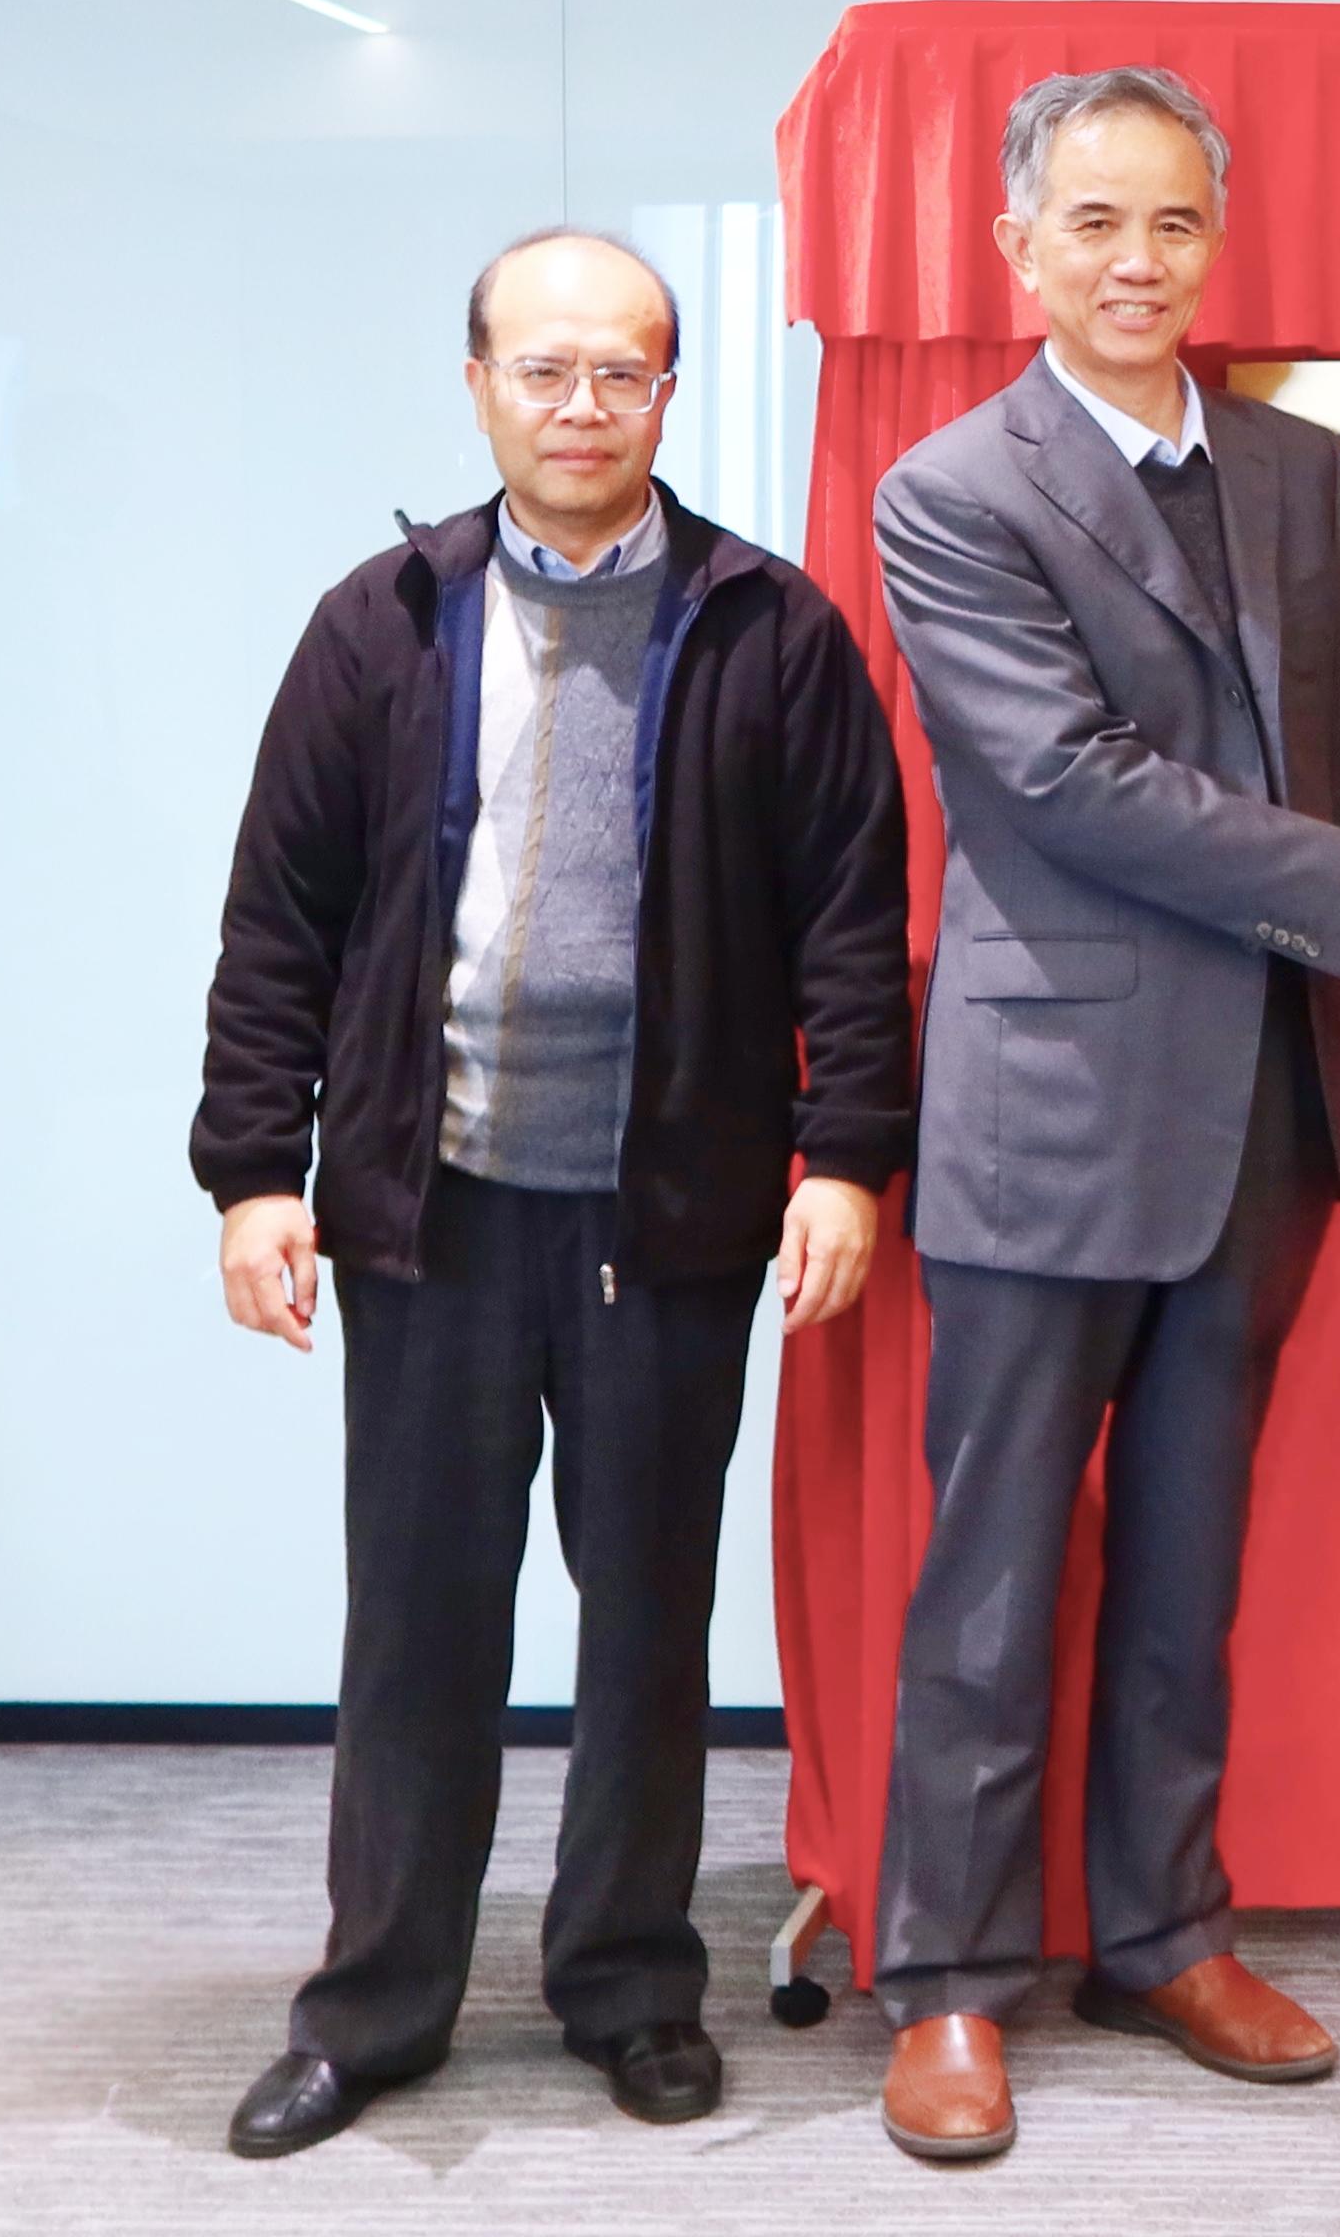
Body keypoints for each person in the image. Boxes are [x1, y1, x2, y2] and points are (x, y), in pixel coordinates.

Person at [191, 228, 916, 2160]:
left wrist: (846, 1155)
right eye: (544, 370)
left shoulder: (768, 632)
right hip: (432, 1207)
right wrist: (255, 1173)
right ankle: (377, 2005)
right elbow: (280, 920)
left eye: (621, 373)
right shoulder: (382, 624)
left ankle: (630, 1985)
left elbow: (852, 923)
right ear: (479, 386)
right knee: (418, 1625)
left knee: (645, 1623)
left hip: (666, 1217)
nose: (581, 406)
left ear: (668, 394)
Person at [863, 65, 1340, 2165]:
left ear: (1214, 244)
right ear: (1018, 248)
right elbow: (1061, 782)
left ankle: (1160, 1932)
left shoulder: (1303, 474)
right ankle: (952, 1981)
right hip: (1053, 1107)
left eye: (1173, 225)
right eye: (1096, 224)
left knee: (1188, 1556)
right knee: (991, 1573)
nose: (1137, 263)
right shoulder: (955, 491)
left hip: (1265, 1112)